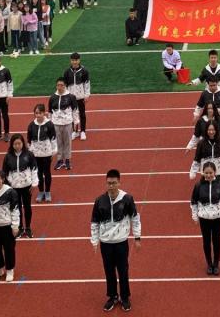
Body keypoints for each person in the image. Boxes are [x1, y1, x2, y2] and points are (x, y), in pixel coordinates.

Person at [90, 169, 142, 313]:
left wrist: (137, 237)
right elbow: (94, 222)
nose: (111, 186)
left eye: (114, 183)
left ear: (119, 182)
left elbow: (135, 219)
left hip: (121, 243)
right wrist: (94, 241)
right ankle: (112, 296)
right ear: (106, 184)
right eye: (109, 183)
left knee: (123, 270)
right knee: (109, 271)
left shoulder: (127, 199)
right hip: (106, 243)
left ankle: (125, 297)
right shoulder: (99, 201)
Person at [191, 161, 220, 275]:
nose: (208, 175)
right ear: (202, 172)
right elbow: (194, 202)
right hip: (204, 218)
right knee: (206, 241)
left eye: (210, 173)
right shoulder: (198, 186)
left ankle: (216, 264)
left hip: (217, 218)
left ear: (215, 172)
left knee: (216, 241)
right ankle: (209, 264)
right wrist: (195, 216)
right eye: (206, 173)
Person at [2, 134, 40, 238]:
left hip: (27, 186)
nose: (17, 146)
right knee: (16, 208)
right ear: (12, 145)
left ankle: (28, 228)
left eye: (19, 143)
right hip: (14, 188)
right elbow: (5, 172)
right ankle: (19, 227)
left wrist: (34, 183)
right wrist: (8, 185)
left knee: (27, 207)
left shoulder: (29, 155)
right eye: (15, 144)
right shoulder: (8, 157)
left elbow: (34, 169)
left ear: (23, 143)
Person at [27, 103, 57, 203]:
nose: (38, 115)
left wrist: (53, 151)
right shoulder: (31, 125)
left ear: (44, 113)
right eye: (36, 113)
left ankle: (47, 192)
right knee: (38, 173)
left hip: (46, 153)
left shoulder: (49, 124)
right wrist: (30, 151)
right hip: (36, 154)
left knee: (47, 172)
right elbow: (29, 140)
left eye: (40, 113)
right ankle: (40, 191)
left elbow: (53, 138)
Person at [50, 78, 81, 170]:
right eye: (58, 85)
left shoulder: (71, 97)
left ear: (65, 86)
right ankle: (59, 160)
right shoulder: (52, 97)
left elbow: (75, 110)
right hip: (56, 123)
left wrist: (76, 122)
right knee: (58, 142)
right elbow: (50, 112)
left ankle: (67, 160)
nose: (59, 87)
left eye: (62, 85)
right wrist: (50, 123)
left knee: (67, 142)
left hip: (67, 123)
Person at [63, 52, 92, 140]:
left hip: (80, 97)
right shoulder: (67, 72)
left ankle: (82, 131)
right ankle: (74, 131)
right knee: (72, 114)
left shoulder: (84, 71)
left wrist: (87, 95)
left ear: (79, 60)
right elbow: (65, 85)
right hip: (71, 97)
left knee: (82, 114)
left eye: (76, 60)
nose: (74, 62)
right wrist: (65, 95)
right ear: (70, 61)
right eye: (73, 60)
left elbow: (87, 84)